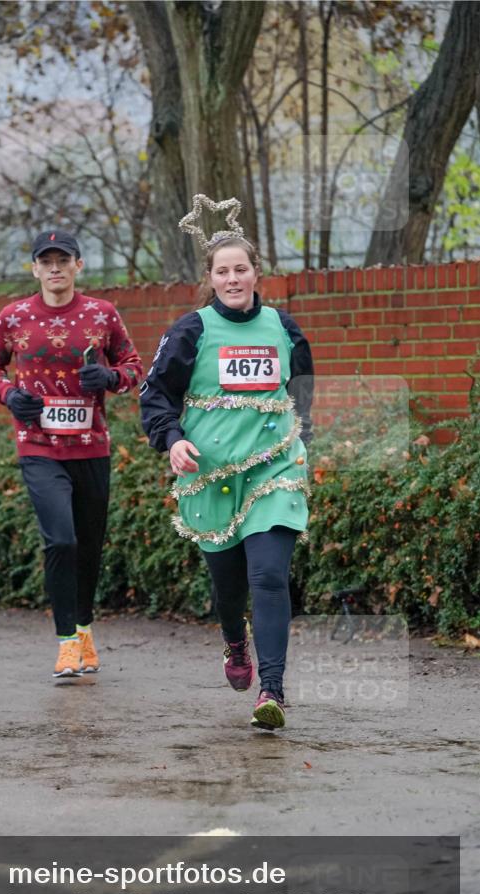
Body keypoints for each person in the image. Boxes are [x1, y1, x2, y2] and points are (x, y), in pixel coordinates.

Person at [140, 196, 313, 730]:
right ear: (211, 278)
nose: (233, 278)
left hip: (275, 470)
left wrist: (292, 443)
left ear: (257, 273)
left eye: (242, 269)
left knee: (268, 576)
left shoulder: (284, 329)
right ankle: (235, 642)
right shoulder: (191, 331)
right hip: (210, 476)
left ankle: (274, 690)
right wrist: (171, 440)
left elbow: (301, 395)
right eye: (223, 271)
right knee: (229, 586)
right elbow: (154, 395)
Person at [0, 229, 142, 679]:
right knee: (61, 540)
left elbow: (134, 367)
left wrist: (108, 379)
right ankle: (67, 642)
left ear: (78, 266)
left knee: (88, 546)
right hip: (39, 445)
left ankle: (85, 630)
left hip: (91, 446)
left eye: (63, 260)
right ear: (34, 269)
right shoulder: (13, 317)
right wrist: (10, 395)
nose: (55, 268)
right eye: (45, 261)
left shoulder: (102, 314)